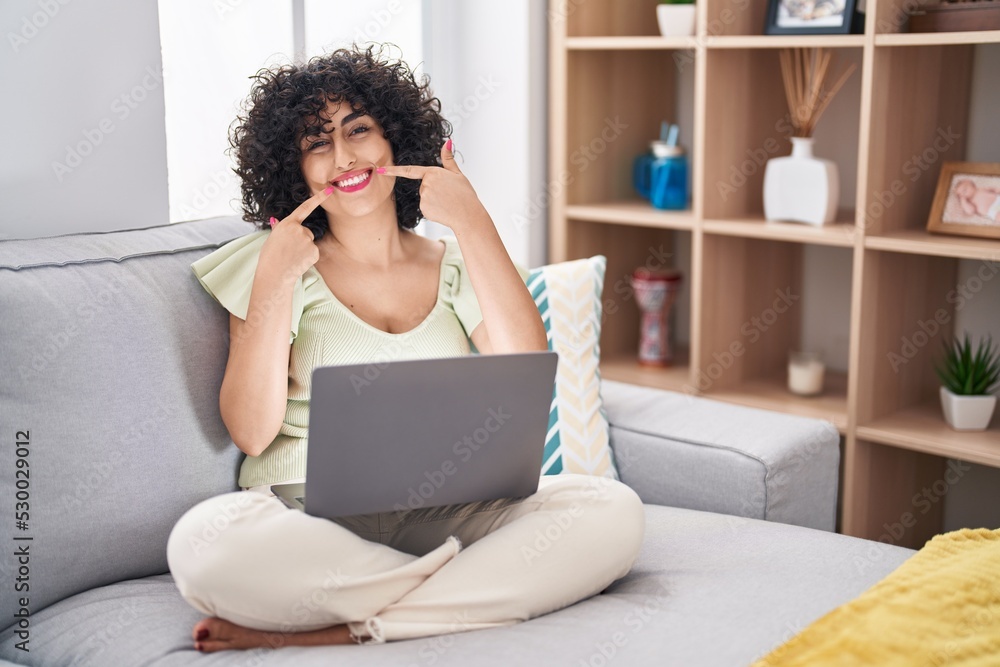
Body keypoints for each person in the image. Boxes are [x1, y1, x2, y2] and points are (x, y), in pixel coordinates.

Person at [166, 44, 645, 652]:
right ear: (296, 169)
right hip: (309, 518)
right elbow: (252, 433)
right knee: (203, 544)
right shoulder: (275, 266)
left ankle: (351, 626)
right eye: (317, 143)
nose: (343, 157)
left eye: (358, 130)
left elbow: (526, 371)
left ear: (393, 139)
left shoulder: (453, 266)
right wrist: (275, 281)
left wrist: (473, 223)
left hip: (448, 508)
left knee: (611, 512)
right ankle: (462, 593)